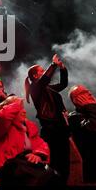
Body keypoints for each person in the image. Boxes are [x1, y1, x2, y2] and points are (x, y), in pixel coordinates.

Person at [0, 96, 58, 186]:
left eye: (23, 108)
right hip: (5, 176)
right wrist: (17, 103)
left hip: (27, 175)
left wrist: (37, 155)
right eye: (20, 108)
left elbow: (41, 144)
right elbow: (4, 116)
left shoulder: (29, 127)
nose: (24, 111)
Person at [24, 54, 70, 183]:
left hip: (61, 127)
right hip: (51, 129)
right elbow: (44, 80)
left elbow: (63, 84)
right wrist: (53, 64)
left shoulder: (48, 88)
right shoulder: (35, 88)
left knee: (65, 162)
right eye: (41, 71)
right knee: (55, 161)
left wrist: (62, 68)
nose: (44, 73)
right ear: (35, 76)